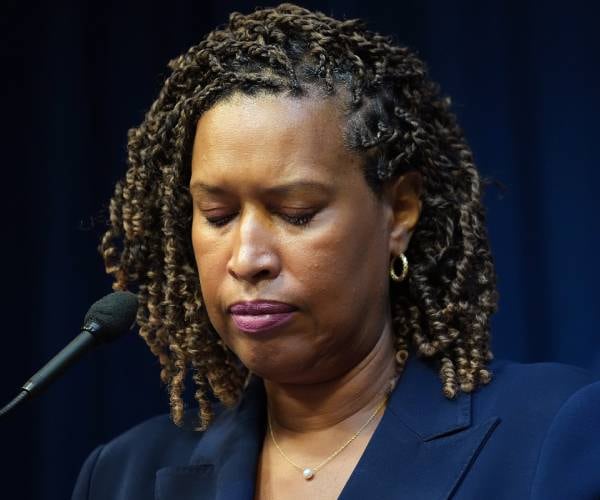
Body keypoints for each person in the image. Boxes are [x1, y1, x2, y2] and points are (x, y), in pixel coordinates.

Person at [72, 4, 600, 499]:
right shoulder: (122, 475)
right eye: (218, 215)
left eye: (296, 212)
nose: (247, 259)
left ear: (400, 212)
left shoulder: (555, 431)